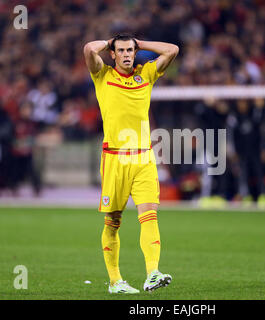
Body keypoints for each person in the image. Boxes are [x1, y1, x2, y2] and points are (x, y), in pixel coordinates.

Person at [83, 34, 179, 294]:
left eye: (130, 50)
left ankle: (152, 273)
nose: (126, 54)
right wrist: (109, 41)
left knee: (149, 214)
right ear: (113, 54)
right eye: (121, 50)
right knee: (113, 222)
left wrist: (141, 43)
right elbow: (89, 49)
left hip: (144, 157)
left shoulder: (145, 74)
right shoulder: (102, 75)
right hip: (114, 158)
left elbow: (172, 49)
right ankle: (115, 281)